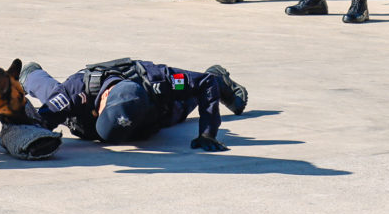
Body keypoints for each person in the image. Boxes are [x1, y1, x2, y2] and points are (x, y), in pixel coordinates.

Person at [19, 58, 248, 150]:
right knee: (53, 96)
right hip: (84, 115)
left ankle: (219, 76)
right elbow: (39, 124)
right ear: (105, 101)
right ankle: (30, 74)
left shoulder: (158, 81)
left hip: (155, 114)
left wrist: (208, 133)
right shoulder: (75, 92)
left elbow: (204, 84)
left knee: (185, 100)